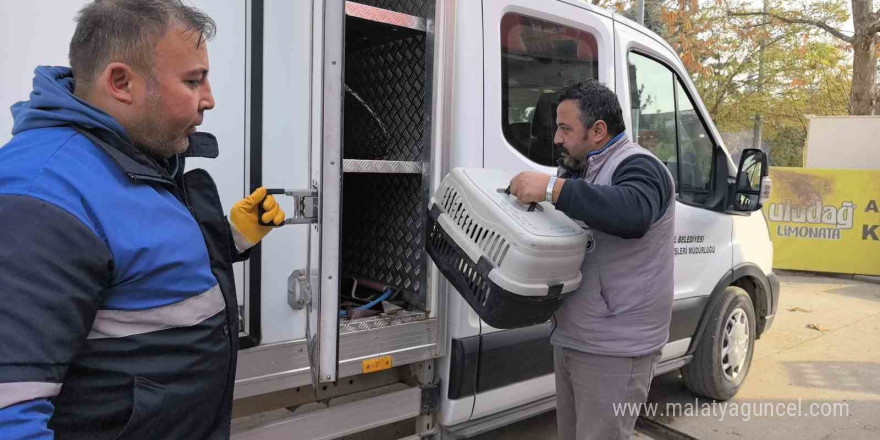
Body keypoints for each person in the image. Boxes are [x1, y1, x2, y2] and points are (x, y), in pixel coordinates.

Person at [0, 1, 284, 439]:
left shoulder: (134, 157)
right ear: (120, 82)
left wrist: (232, 239)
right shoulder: (42, 198)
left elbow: (138, 278)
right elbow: (10, 409)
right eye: (193, 81)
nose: (209, 98)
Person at [508, 79, 675, 440]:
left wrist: (553, 189)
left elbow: (633, 214)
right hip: (575, 335)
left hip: (616, 348)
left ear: (598, 130)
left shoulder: (641, 166)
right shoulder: (583, 168)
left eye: (565, 128)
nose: (556, 138)